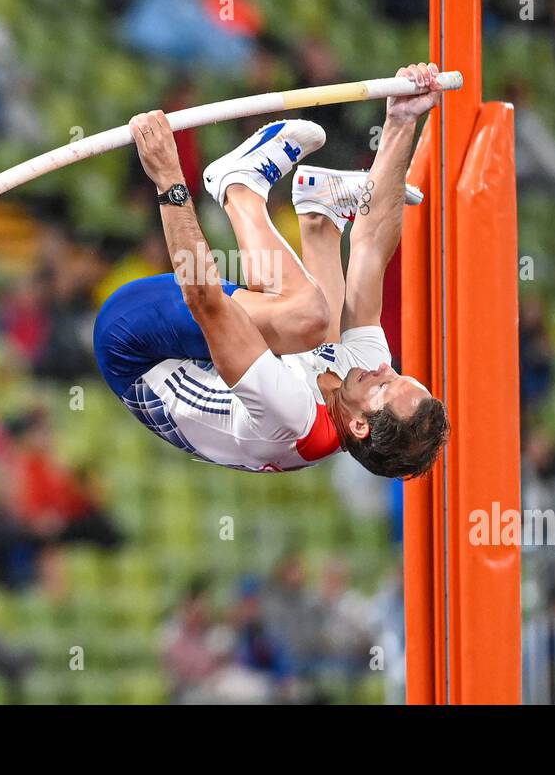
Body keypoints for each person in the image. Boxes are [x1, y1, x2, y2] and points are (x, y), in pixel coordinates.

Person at [92, 63, 449, 478]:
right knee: (317, 329)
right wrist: (401, 120)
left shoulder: (292, 420)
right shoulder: (364, 379)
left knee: (308, 320)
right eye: (400, 375)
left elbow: (204, 301)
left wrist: (170, 179)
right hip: (202, 342)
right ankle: (322, 217)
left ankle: (237, 188)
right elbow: (371, 250)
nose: (386, 369)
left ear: (358, 425)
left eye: (385, 387)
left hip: (134, 346)